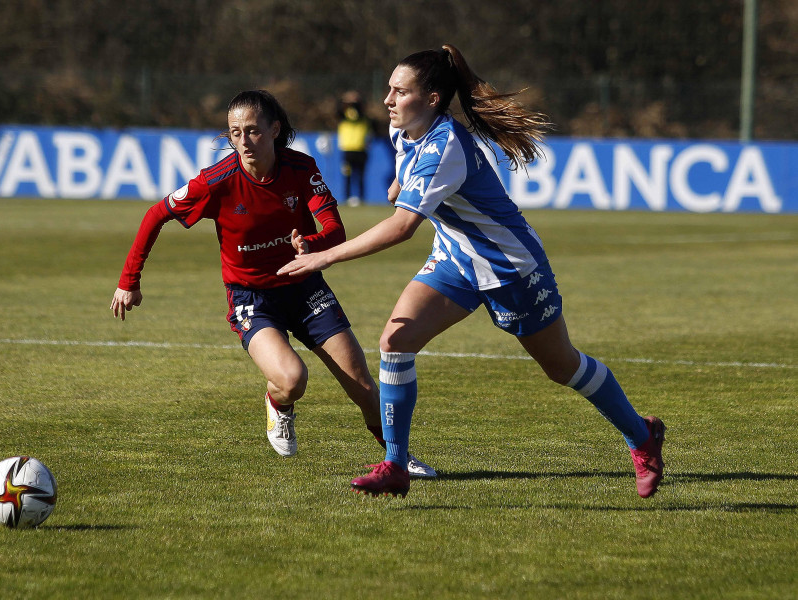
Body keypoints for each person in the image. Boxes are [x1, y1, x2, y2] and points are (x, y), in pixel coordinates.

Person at [278, 46, 666, 499]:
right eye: (389, 88)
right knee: (395, 341)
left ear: (434, 99)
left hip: (510, 267)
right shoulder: (403, 127)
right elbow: (402, 182)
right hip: (456, 259)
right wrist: (403, 183)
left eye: (400, 92)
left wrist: (325, 256)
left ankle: (642, 437)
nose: (387, 99)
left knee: (562, 366)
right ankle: (396, 465)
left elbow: (403, 227)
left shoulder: (446, 147)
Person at [110, 90, 435, 477]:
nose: (244, 142)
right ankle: (279, 403)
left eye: (253, 131)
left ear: (274, 129)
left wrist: (310, 244)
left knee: (363, 387)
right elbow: (155, 214)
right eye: (235, 133)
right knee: (292, 380)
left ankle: (398, 459)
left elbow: (335, 229)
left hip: (305, 287)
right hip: (251, 297)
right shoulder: (217, 181)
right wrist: (129, 281)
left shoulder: (301, 169)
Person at [336, 91, 373, 207]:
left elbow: (362, 108)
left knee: (360, 176)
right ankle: (347, 198)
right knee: (347, 176)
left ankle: (361, 199)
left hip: (361, 150)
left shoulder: (364, 117)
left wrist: (356, 100)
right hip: (347, 151)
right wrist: (346, 99)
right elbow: (338, 109)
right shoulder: (343, 117)